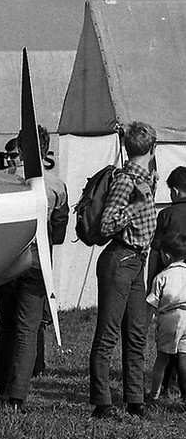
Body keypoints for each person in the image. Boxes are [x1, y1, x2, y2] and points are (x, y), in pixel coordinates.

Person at [0, 127, 68, 410]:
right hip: (38, 263)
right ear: (46, 152)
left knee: (8, 324)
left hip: (7, 259)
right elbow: (59, 234)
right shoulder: (57, 186)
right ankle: (17, 394)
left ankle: (2, 383)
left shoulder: (2, 181)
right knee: (28, 328)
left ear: (20, 149)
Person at [89, 122, 158, 419]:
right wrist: (136, 206)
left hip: (134, 261)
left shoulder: (142, 179)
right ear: (152, 150)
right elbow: (106, 224)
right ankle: (102, 403)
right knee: (109, 332)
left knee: (136, 333)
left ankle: (134, 399)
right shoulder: (126, 181)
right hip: (120, 259)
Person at [147, 167, 186, 401]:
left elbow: (155, 251)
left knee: (166, 349)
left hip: (169, 282)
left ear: (174, 191)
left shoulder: (166, 215)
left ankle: (162, 388)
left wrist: (151, 277)